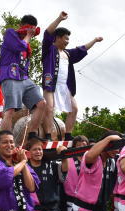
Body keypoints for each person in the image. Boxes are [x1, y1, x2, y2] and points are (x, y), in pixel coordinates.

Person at [42, 11, 103, 141]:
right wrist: (59, 18)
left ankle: (68, 135)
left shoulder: (68, 53)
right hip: (51, 84)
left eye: (68, 39)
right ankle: (47, 135)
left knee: (74, 108)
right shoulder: (49, 49)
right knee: (49, 108)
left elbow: (82, 49)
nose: (67, 41)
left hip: (66, 86)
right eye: (65, 38)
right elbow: (47, 33)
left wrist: (95, 40)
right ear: (57, 37)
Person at [0, 14, 47, 140]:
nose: (30, 33)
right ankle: (6, 141)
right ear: (21, 26)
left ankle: (32, 135)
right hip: (10, 75)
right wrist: (29, 36)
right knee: (10, 110)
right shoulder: (10, 33)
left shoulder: (27, 44)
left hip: (24, 77)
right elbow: (19, 46)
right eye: (28, 29)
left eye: (33, 30)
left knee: (41, 104)